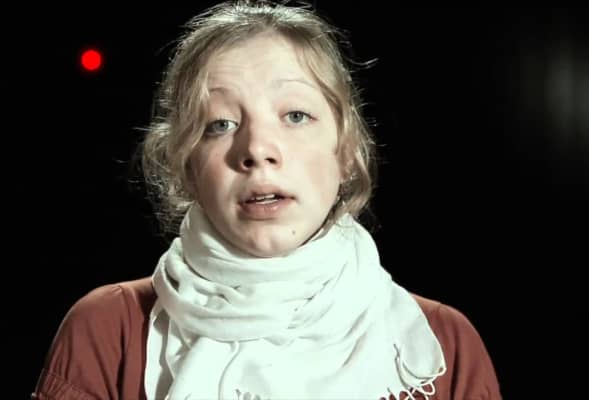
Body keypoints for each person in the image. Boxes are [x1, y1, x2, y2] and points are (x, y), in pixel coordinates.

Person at [32, 1, 501, 399]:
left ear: (346, 152)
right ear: (187, 167)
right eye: (220, 124)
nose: (257, 149)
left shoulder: (444, 345)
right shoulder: (108, 331)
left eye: (295, 115)